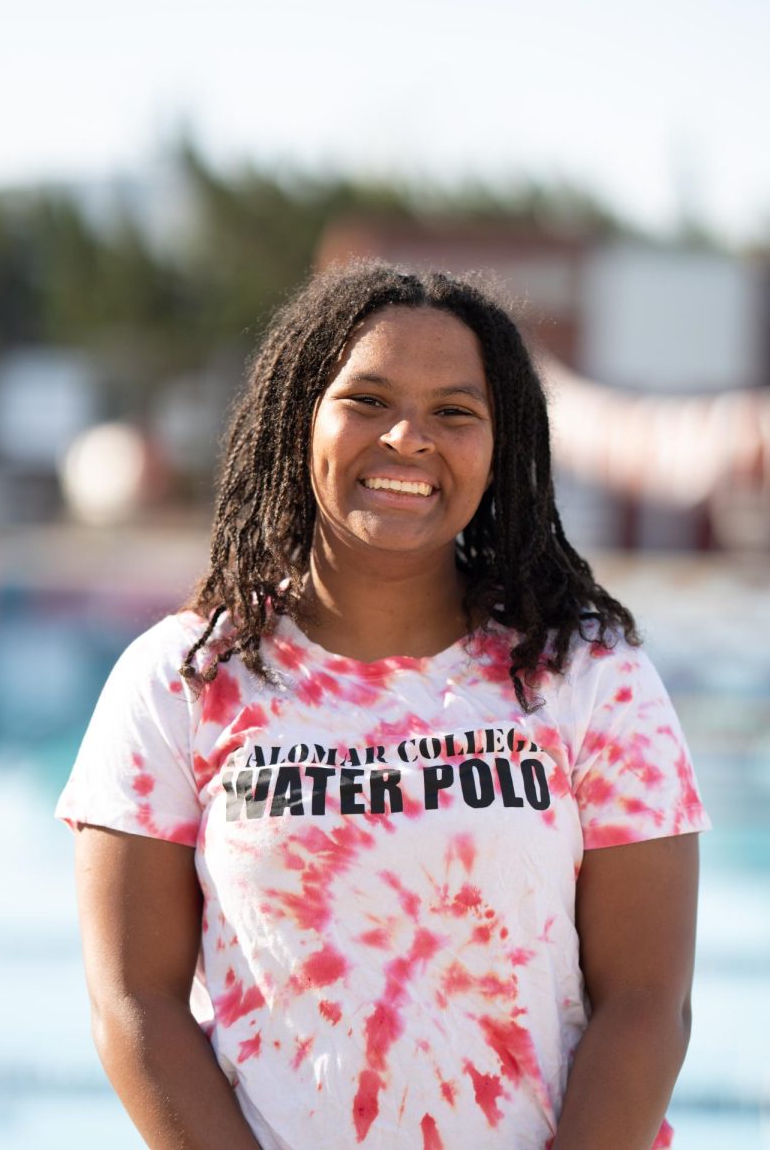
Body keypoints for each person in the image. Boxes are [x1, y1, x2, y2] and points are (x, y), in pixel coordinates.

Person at [57, 261, 710, 1150]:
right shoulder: (183, 679)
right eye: (367, 399)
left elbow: (647, 1005)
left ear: (498, 444)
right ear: (301, 421)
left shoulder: (588, 675)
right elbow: (135, 1005)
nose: (408, 437)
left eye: (455, 411)